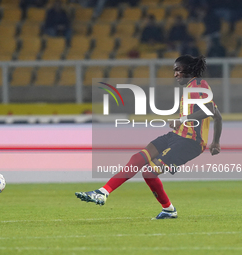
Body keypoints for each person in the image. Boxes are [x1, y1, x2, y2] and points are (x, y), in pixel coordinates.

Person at [75, 55, 222, 219]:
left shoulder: (199, 85)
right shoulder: (192, 88)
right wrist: (215, 142)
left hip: (190, 142)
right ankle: (103, 192)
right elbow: (218, 116)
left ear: (189, 70)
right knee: (138, 158)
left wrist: (182, 120)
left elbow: (209, 111)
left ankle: (169, 210)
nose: (175, 74)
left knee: (149, 173)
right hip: (176, 136)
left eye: (178, 70)